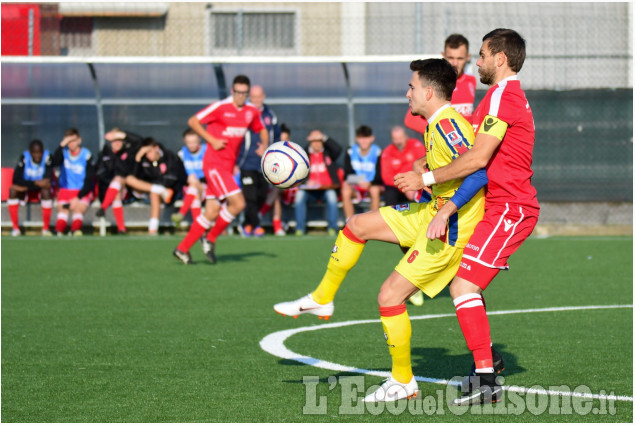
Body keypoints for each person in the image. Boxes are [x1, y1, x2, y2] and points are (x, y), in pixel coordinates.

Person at [274, 58, 488, 402]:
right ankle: (322, 299)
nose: (408, 94)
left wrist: (435, 193)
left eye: (412, 87)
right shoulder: (436, 124)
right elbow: (457, 169)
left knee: (389, 297)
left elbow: (480, 172)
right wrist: (424, 174)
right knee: (356, 224)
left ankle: (403, 381)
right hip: (430, 211)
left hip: (449, 227)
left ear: (429, 92)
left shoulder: (448, 125)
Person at [395, 29, 539, 405]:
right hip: (498, 208)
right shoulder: (495, 97)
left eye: (481, 55)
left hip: (511, 208)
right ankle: (487, 365)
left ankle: (487, 380)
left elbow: (477, 160)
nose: (476, 62)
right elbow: (469, 149)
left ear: (500, 58)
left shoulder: (503, 97)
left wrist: (424, 178)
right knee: (465, 287)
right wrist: (429, 160)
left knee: (462, 288)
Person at [173, 74, 269, 264]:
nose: (240, 96)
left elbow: (262, 129)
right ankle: (210, 238)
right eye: (237, 92)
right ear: (232, 91)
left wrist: (264, 145)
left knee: (212, 211)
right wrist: (212, 140)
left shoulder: (251, 111)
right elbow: (193, 121)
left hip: (227, 167)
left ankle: (182, 249)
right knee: (239, 204)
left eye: (244, 93)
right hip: (214, 165)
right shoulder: (221, 107)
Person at [404, 33, 477, 134]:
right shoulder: (436, 82)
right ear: (443, 55)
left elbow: (466, 114)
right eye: (451, 58)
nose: (455, 63)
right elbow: (411, 120)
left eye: (460, 58)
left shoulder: (471, 80)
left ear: (468, 57)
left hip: (467, 145)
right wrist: (441, 133)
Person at [237, 85, 281, 237]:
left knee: (262, 194)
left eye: (258, 96)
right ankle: (256, 226)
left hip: (265, 163)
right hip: (246, 162)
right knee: (250, 196)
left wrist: (270, 150)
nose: (256, 100)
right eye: (253, 97)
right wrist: (236, 162)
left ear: (264, 96)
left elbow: (276, 136)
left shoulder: (270, 114)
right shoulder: (243, 113)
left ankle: (247, 224)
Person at [125, 137, 186, 235]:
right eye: (145, 153)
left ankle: (152, 229)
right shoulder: (143, 160)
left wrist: (160, 186)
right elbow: (134, 176)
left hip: (169, 191)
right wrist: (138, 158)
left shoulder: (169, 156)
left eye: (149, 152)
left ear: (156, 148)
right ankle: (159, 190)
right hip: (148, 190)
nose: (148, 155)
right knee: (128, 179)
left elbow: (174, 178)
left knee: (154, 193)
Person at [94, 127, 143, 234]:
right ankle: (121, 228)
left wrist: (123, 134)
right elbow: (99, 173)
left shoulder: (128, 152)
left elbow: (140, 142)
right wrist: (111, 181)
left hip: (126, 190)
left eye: (119, 139)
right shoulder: (105, 154)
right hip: (108, 191)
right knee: (116, 187)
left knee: (119, 179)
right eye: (114, 140)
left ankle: (103, 208)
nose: (117, 143)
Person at [293, 130, 342, 236]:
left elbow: (338, 149)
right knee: (299, 195)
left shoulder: (328, 153)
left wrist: (324, 137)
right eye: (314, 141)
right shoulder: (304, 155)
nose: (317, 143)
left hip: (326, 190)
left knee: (332, 195)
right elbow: (297, 173)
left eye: (319, 140)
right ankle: (299, 228)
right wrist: (306, 181)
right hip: (310, 191)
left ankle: (333, 227)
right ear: (310, 142)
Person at [50, 128, 95, 236]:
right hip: (66, 189)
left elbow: (89, 179)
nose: (71, 143)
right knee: (63, 211)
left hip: (82, 190)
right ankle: (58, 231)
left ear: (79, 140)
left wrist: (78, 197)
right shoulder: (63, 153)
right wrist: (61, 145)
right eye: (68, 141)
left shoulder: (86, 155)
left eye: (73, 140)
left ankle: (75, 230)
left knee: (78, 210)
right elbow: (53, 163)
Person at [7, 139, 54, 236]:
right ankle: (15, 228)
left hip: (38, 191)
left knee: (46, 191)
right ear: (30, 152)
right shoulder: (24, 157)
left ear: (43, 151)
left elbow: (47, 181)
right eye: (34, 153)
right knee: (13, 191)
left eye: (39, 152)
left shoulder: (48, 157)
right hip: (27, 190)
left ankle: (46, 228)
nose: (37, 156)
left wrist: (27, 185)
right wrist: (36, 183)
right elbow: (16, 179)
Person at [340, 125, 382, 220]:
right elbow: (347, 175)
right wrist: (360, 181)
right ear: (357, 139)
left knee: (375, 191)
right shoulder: (350, 151)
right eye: (361, 138)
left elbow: (379, 176)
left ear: (372, 138)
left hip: (371, 186)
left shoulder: (377, 152)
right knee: (345, 190)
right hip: (356, 186)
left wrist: (369, 183)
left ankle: (372, 224)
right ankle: (349, 224)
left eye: (366, 137)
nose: (364, 141)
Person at [378, 126, 427, 206]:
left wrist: (413, 182)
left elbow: (424, 164)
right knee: (390, 194)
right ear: (392, 140)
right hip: (397, 186)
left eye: (400, 138)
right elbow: (386, 177)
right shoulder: (387, 152)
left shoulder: (415, 145)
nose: (398, 142)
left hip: (416, 182)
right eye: (395, 139)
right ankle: (390, 217)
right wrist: (404, 185)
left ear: (406, 137)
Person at [259, 123, 292, 236]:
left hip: (291, 187)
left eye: (286, 139)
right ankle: (277, 227)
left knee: (276, 190)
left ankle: (260, 214)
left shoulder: (296, 154)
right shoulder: (274, 155)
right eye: (280, 139)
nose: (283, 142)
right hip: (276, 187)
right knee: (276, 195)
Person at [171, 129, 208, 227]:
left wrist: (198, 181)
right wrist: (188, 179)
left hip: (207, 187)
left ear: (199, 140)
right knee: (194, 192)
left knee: (194, 188)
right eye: (189, 142)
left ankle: (182, 213)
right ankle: (198, 227)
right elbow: (179, 174)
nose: (191, 145)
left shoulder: (207, 151)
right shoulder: (182, 154)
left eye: (194, 142)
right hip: (189, 189)